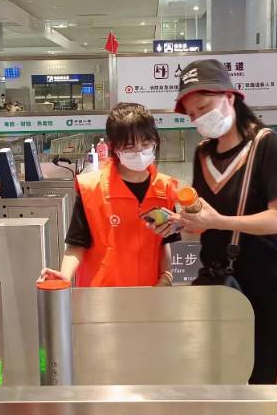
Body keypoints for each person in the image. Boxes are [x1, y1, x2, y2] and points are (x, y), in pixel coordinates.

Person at [159, 59, 277, 390]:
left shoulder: (267, 146)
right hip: (217, 277)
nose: (198, 118)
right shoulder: (203, 154)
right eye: (191, 114)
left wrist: (218, 221)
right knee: (218, 372)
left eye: (203, 107)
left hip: (267, 276)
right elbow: (203, 219)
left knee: (264, 375)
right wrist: (183, 222)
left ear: (230, 97)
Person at [39, 103, 180, 287]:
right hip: (101, 294)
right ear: (114, 147)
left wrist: (167, 275)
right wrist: (64, 276)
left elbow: (164, 243)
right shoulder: (91, 188)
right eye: (129, 146)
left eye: (146, 144)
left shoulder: (165, 189)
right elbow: (77, 244)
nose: (139, 152)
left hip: (149, 292)